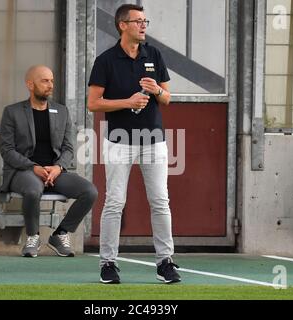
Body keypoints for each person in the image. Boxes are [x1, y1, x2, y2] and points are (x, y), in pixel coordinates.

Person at [87, 4, 181, 284]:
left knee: (160, 201)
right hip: (119, 141)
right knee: (115, 202)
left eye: (145, 21)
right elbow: (93, 103)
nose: (143, 25)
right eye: (138, 21)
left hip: (154, 140)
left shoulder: (154, 54)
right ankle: (108, 264)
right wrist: (127, 102)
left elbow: (168, 99)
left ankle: (165, 262)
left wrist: (157, 90)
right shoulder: (105, 60)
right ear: (122, 25)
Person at [0, 65, 98, 258]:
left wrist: (58, 167)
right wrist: (32, 166)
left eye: (51, 80)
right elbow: (7, 150)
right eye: (45, 81)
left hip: (54, 171)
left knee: (89, 191)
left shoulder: (62, 112)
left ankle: (60, 234)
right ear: (30, 84)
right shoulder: (13, 112)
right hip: (23, 171)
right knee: (33, 189)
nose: (50, 85)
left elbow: (69, 149)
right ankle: (33, 237)